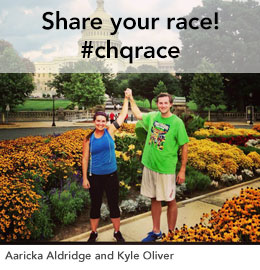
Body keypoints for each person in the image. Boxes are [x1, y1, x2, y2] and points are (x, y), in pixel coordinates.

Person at [126, 89, 189, 242]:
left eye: (165, 103)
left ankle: (171, 234)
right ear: (157, 104)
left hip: (166, 168)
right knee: (154, 198)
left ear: (171, 104)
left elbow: (184, 146)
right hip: (150, 165)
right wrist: (130, 98)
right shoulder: (153, 116)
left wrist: (182, 170)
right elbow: (138, 114)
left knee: (170, 200)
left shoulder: (177, 122)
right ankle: (156, 231)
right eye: (160, 103)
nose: (162, 105)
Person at [82, 90, 130, 242]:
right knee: (95, 206)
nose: (101, 123)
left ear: (106, 122)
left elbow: (122, 116)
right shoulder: (88, 138)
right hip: (94, 177)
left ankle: (117, 232)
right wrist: (84, 178)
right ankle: (93, 233)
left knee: (113, 205)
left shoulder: (110, 131)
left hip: (111, 176)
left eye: (103, 121)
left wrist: (126, 98)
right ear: (94, 122)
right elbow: (84, 159)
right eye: (98, 121)